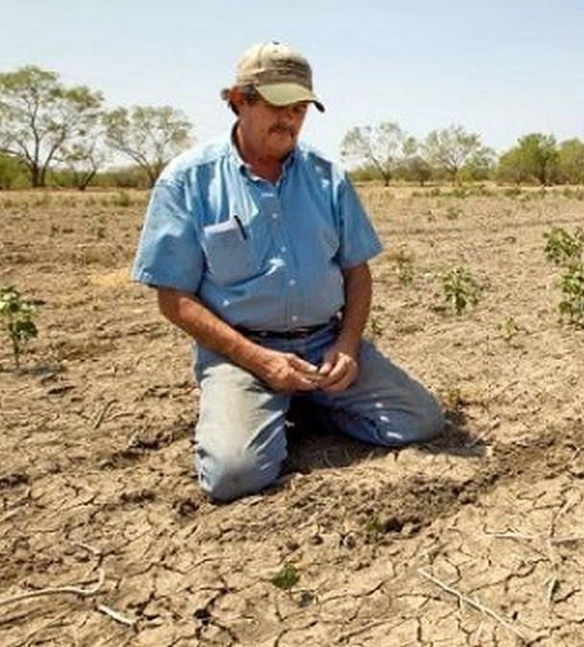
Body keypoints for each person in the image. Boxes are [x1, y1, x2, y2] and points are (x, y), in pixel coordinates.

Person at [131, 41, 444, 502]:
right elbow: (173, 299)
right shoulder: (188, 180)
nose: (290, 119)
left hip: (324, 345)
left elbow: (357, 273)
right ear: (239, 101)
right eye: (278, 105)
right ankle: (260, 405)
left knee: (421, 421)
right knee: (234, 476)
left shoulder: (327, 177)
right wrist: (261, 362)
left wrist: (348, 345)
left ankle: (309, 402)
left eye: (300, 107)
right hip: (243, 354)